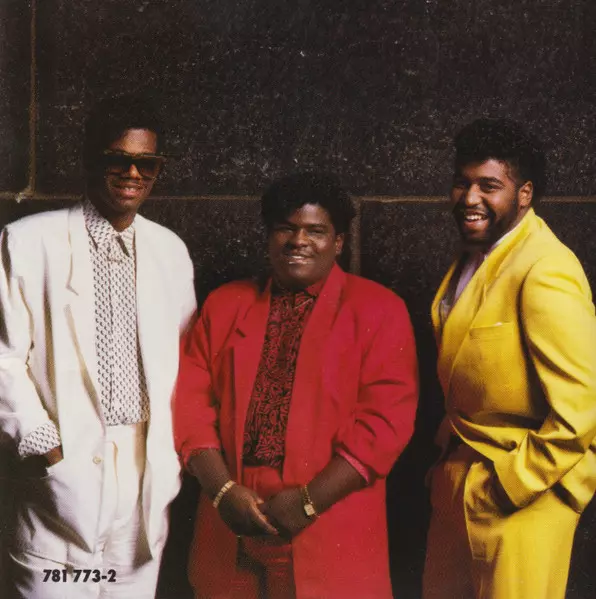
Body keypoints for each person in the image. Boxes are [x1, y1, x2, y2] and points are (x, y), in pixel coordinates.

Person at [175, 172, 418, 599]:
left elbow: (384, 426)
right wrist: (223, 492)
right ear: (268, 236)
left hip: (328, 523)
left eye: (315, 231)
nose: (298, 241)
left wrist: (309, 502)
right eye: (285, 228)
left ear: (338, 242)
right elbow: (190, 407)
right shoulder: (225, 305)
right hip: (232, 523)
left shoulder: (379, 310)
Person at [0, 94, 197, 598]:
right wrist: (44, 446)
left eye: (147, 163)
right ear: (91, 159)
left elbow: (187, 365)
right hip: (61, 466)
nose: (133, 173)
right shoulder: (27, 241)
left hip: (143, 471)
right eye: (118, 159)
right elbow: (3, 357)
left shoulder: (170, 251)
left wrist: (170, 459)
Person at [422, 118, 596, 599]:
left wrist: (509, 486)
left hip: (520, 497)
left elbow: (583, 409)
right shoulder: (478, 253)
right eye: (462, 183)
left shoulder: (546, 268)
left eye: (489, 186)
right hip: (461, 483)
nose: (470, 198)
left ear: (524, 194)